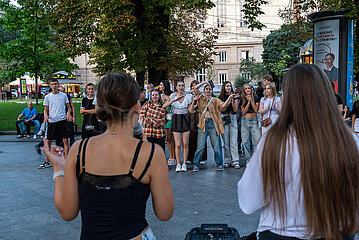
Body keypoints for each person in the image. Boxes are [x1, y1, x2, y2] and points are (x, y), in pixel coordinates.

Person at [42, 73, 174, 240]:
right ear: (136, 106)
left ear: (100, 106)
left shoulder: (78, 150)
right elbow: (165, 212)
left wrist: (59, 170)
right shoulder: (152, 153)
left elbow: (67, 212)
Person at [238, 64, 359, 240]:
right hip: (338, 232)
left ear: (287, 97)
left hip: (281, 232)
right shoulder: (350, 141)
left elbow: (248, 201)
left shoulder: (273, 142)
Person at [189, 81, 234, 172]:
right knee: (200, 146)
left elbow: (223, 106)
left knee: (216, 146)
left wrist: (229, 98)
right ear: (204, 90)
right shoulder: (200, 98)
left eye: (210, 89)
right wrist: (204, 82)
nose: (208, 91)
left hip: (213, 124)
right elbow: (195, 88)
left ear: (212, 91)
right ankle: (196, 164)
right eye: (207, 89)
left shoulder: (215, 100)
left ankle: (219, 164)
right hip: (203, 124)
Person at [40, 79, 72, 169]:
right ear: (50, 86)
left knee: (65, 141)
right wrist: (45, 115)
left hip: (62, 120)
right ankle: (47, 161)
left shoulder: (63, 95)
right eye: (52, 84)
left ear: (58, 85)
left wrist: (68, 113)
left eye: (55, 84)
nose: (54, 86)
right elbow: (45, 109)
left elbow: (68, 107)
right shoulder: (48, 97)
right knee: (48, 141)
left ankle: (67, 162)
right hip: (52, 121)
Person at [163, 79, 193, 172]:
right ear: (176, 87)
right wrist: (174, 100)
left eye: (182, 85)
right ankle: (178, 164)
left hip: (185, 118)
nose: (181, 87)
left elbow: (190, 111)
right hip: (176, 119)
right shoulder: (172, 96)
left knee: (185, 143)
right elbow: (164, 106)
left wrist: (193, 102)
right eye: (179, 85)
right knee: (178, 144)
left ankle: (184, 163)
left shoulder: (188, 96)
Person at [219, 81, 240, 169]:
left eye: (230, 86)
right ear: (224, 87)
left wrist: (232, 100)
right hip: (224, 118)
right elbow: (221, 108)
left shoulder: (235, 97)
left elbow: (235, 109)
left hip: (233, 118)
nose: (228, 88)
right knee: (226, 141)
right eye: (227, 86)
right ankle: (227, 160)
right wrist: (228, 99)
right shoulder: (220, 97)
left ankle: (235, 160)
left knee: (233, 141)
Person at [188, 80, 207, 165]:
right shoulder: (189, 96)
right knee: (191, 138)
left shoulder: (202, 95)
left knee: (201, 138)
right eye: (192, 86)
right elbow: (189, 109)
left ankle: (202, 157)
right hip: (192, 117)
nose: (194, 87)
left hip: (200, 117)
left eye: (195, 86)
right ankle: (190, 157)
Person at [240, 83, 261, 164]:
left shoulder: (256, 98)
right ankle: (248, 159)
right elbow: (243, 112)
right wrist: (248, 102)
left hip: (254, 121)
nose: (247, 90)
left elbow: (256, 110)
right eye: (246, 89)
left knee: (257, 140)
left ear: (252, 89)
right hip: (245, 121)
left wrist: (251, 100)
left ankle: (256, 158)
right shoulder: (242, 99)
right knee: (245, 142)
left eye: (249, 88)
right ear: (244, 91)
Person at [159, 80, 176, 165]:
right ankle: (171, 156)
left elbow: (173, 104)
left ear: (165, 86)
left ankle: (173, 157)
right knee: (167, 138)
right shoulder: (160, 96)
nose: (159, 86)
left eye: (161, 85)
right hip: (163, 118)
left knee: (170, 138)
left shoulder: (171, 95)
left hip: (170, 117)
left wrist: (168, 100)